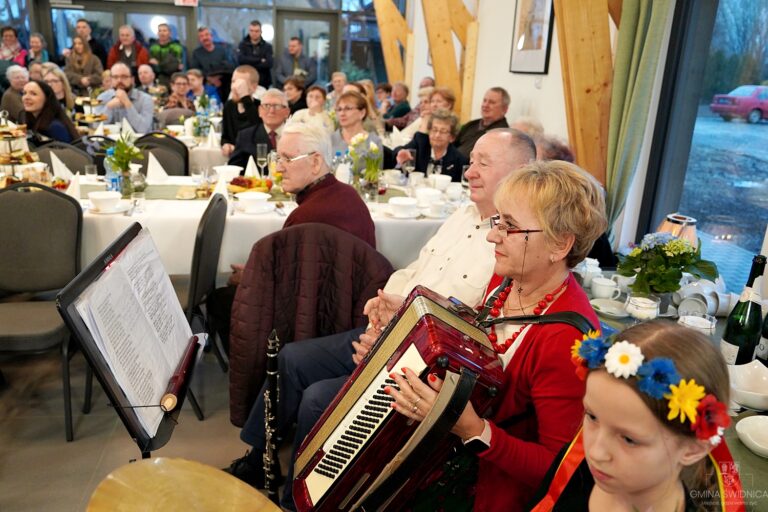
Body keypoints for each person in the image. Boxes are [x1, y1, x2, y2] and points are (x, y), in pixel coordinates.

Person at [223, 129, 538, 511]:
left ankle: (299, 502)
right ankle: (260, 457)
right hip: (393, 328)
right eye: (470, 161)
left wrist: (390, 343)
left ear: (521, 172)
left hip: (417, 360)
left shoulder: (511, 243)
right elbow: (416, 270)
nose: (469, 171)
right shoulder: (462, 214)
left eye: (482, 163)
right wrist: (384, 302)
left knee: (317, 399)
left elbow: (464, 330)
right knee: (292, 358)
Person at [383, 159, 607, 511]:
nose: (492, 235)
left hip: (490, 490)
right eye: (497, 220)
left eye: (510, 226)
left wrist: (473, 428)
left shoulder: (568, 339)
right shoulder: (507, 280)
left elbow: (560, 469)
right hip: (450, 457)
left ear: (560, 245)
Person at [529, 321, 740, 511]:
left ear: (693, 449)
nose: (596, 452)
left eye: (629, 439)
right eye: (592, 417)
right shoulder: (578, 467)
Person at [206, 121, 376, 348]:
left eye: (287, 159)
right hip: (349, 315)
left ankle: (264, 377)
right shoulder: (347, 194)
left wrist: (248, 279)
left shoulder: (306, 217)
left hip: (317, 323)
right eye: (278, 158)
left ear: (316, 162)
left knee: (220, 300)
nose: (278, 168)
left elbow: (284, 291)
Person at [395, 108, 468, 181]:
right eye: (434, 129)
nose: (437, 135)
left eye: (443, 131)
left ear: (452, 137)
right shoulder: (420, 144)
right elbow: (398, 151)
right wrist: (400, 152)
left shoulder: (459, 160)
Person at [228, 88, 290, 168]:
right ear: (260, 111)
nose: (271, 111)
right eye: (266, 106)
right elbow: (234, 169)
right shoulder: (245, 136)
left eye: (277, 106)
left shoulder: (296, 136)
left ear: (287, 112)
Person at [95, 62, 154, 133]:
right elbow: (96, 128)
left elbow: (143, 129)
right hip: (108, 142)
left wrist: (127, 103)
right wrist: (109, 107)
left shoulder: (145, 99)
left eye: (124, 77)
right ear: (111, 80)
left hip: (138, 143)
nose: (119, 80)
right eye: (115, 77)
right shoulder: (102, 98)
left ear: (132, 79)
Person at [454, 87, 511, 158]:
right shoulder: (471, 125)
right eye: (484, 101)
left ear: (505, 109)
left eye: (492, 102)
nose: (485, 105)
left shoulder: (502, 134)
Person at [221, 65, 262, 157]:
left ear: (254, 87)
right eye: (233, 82)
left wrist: (245, 97)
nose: (234, 87)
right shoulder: (229, 106)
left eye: (240, 84)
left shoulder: (261, 107)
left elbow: (256, 129)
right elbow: (225, 136)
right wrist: (226, 144)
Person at [330, 90, 382, 156]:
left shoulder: (374, 142)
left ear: (362, 113)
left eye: (348, 108)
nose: (342, 113)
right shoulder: (329, 140)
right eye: (339, 109)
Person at [236, 20, 273, 89]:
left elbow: (269, 64)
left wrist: (249, 61)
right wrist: (259, 60)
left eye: (256, 31)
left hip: (263, 82)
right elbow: (240, 60)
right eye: (251, 31)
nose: (254, 33)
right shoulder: (242, 45)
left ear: (261, 32)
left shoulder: (267, 47)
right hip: (245, 81)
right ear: (249, 31)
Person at [149, 23, 184, 88]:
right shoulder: (153, 48)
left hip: (174, 79)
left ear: (170, 33)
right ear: (157, 33)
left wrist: (158, 64)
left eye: (164, 31)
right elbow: (152, 67)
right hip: (157, 79)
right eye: (160, 31)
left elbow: (174, 67)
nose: (162, 33)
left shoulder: (176, 47)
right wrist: (166, 64)